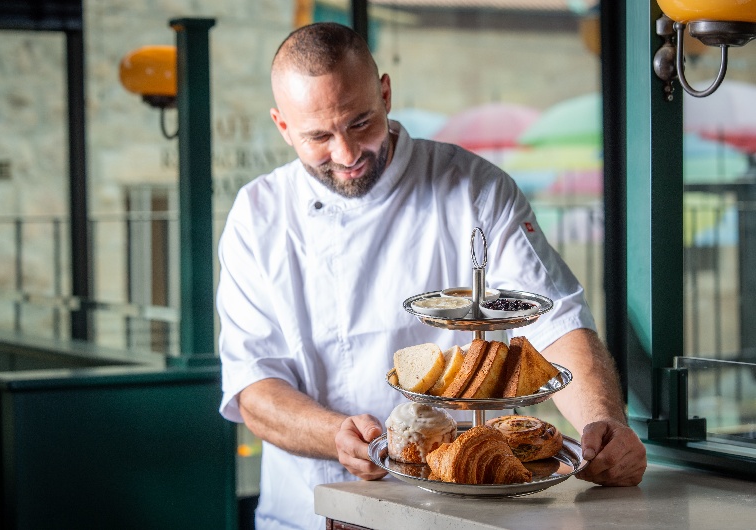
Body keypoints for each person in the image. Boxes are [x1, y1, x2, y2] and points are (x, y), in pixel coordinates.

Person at [217, 21, 646, 530]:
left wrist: (604, 424)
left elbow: (553, 322)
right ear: (283, 127)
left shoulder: (474, 189)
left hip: (454, 513)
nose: (347, 154)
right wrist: (337, 434)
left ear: (385, 93)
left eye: (360, 123)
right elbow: (254, 387)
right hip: (308, 509)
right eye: (319, 136)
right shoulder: (257, 216)